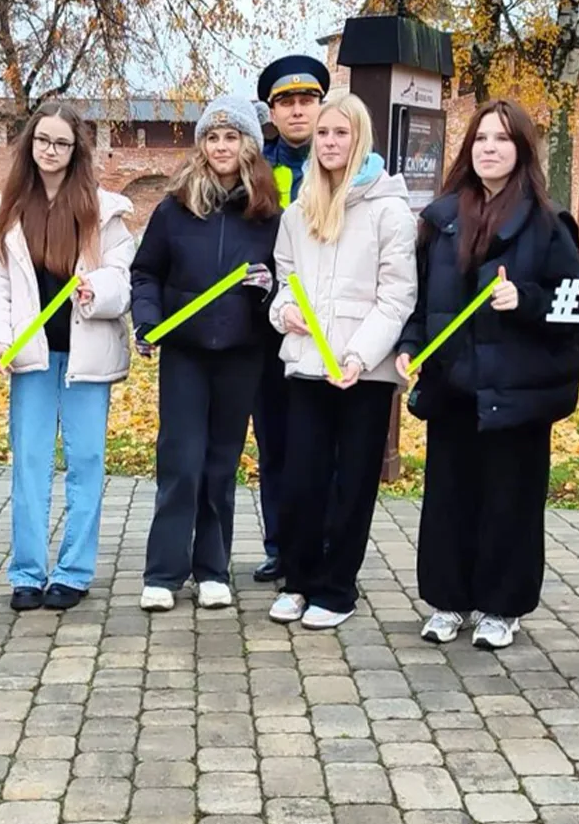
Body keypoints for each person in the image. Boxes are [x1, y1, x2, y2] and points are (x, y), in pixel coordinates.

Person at [396, 100, 579, 650]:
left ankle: (502, 607)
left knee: (510, 502)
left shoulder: (549, 225)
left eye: (502, 139)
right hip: (454, 386)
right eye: (481, 139)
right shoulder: (442, 220)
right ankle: (448, 600)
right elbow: (422, 300)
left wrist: (525, 299)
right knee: (449, 499)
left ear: (521, 150)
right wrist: (411, 345)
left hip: (516, 390)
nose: (489, 149)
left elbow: (574, 305)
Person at [266, 90, 417, 629]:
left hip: (363, 373)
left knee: (352, 482)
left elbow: (397, 296)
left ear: (360, 139)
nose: (329, 143)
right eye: (323, 134)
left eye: (341, 133)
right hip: (308, 366)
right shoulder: (298, 211)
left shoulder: (389, 210)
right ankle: (298, 580)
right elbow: (285, 280)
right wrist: (285, 312)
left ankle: (336, 588)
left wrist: (359, 355)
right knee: (301, 478)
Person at [0, 102, 135, 612]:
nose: (51, 150)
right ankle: (27, 572)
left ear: (75, 149)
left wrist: (97, 290)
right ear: (30, 144)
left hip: (88, 354)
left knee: (86, 461)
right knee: (30, 463)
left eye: (62, 143)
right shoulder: (8, 209)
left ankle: (73, 571)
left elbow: (123, 276)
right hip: (32, 356)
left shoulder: (104, 210)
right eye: (43, 140)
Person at [130, 95, 281, 612]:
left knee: (221, 462)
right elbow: (145, 272)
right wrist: (148, 320)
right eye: (212, 138)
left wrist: (268, 289)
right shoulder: (173, 209)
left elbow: (285, 281)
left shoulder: (268, 215)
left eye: (231, 137)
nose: (220, 146)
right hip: (185, 353)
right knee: (181, 459)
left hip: (242, 352)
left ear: (248, 146)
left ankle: (212, 568)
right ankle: (164, 572)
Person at [249, 53, 331, 583]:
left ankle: (324, 545)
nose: (298, 111)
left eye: (307, 100)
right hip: (267, 325)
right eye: (287, 103)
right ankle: (280, 544)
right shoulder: (255, 167)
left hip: (328, 325)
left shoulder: (342, 161)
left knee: (326, 445)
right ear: (272, 112)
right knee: (275, 440)